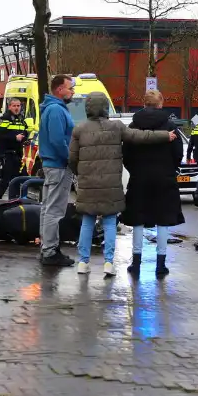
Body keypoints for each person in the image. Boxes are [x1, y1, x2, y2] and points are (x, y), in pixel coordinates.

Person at [68, 93, 174, 276]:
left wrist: (80, 173)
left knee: (87, 221)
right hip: (111, 184)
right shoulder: (116, 127)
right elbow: (140, 136)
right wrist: (165, 135)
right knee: (109, 222)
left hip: (88, 183)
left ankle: (83, 262)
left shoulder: (79, 129)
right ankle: (108, 262)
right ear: (105, 108)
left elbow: (72, 158)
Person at [121, 90, 185, 278]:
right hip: (164, 178)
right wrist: (169, 168)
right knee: (163, 219)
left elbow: (127, 154)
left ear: (144, 103)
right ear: (160, 104)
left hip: (139, 177)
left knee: (138, 219)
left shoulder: (133, 125)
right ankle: (161, 264)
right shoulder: (170, 126)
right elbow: (178, 154)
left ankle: (136, 262)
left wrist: (135, 169)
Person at [38, 74, 78, 266]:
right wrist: (70, 159)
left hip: (53, 165)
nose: (73, 92)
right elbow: (57, 140)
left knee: (48, 209)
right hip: (59, 165)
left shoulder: (53, 108)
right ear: (60, 89)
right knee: (54, 210)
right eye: (70, 88)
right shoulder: (56, 110)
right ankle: (50, 251)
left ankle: (48, 248)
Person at [0, 99, 30, 201]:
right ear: (9, 107)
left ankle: (15, 201)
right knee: (5, 180)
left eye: (18, 106)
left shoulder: (21, 120)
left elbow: (24, 133)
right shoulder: (4, 119)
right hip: (6, 154)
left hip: (18, 155)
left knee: (18, 179)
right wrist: (14, 137)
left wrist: (25, 140)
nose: (17, 108)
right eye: (14, 106)